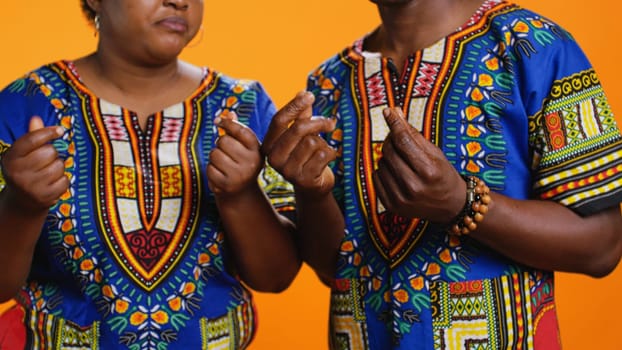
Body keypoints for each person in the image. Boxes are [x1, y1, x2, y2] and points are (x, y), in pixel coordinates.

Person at [262, 0, 622, 348]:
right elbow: (334, 269)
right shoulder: (328, 83)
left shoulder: (534, 46)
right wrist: (313, 193)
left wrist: (462, 203)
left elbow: (602, 245)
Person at [0, 0, 301, 348]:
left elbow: (276, 277)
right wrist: (22, 206)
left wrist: (241, 195)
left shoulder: (243, 107)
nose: (179, 2)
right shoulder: (25, 104)